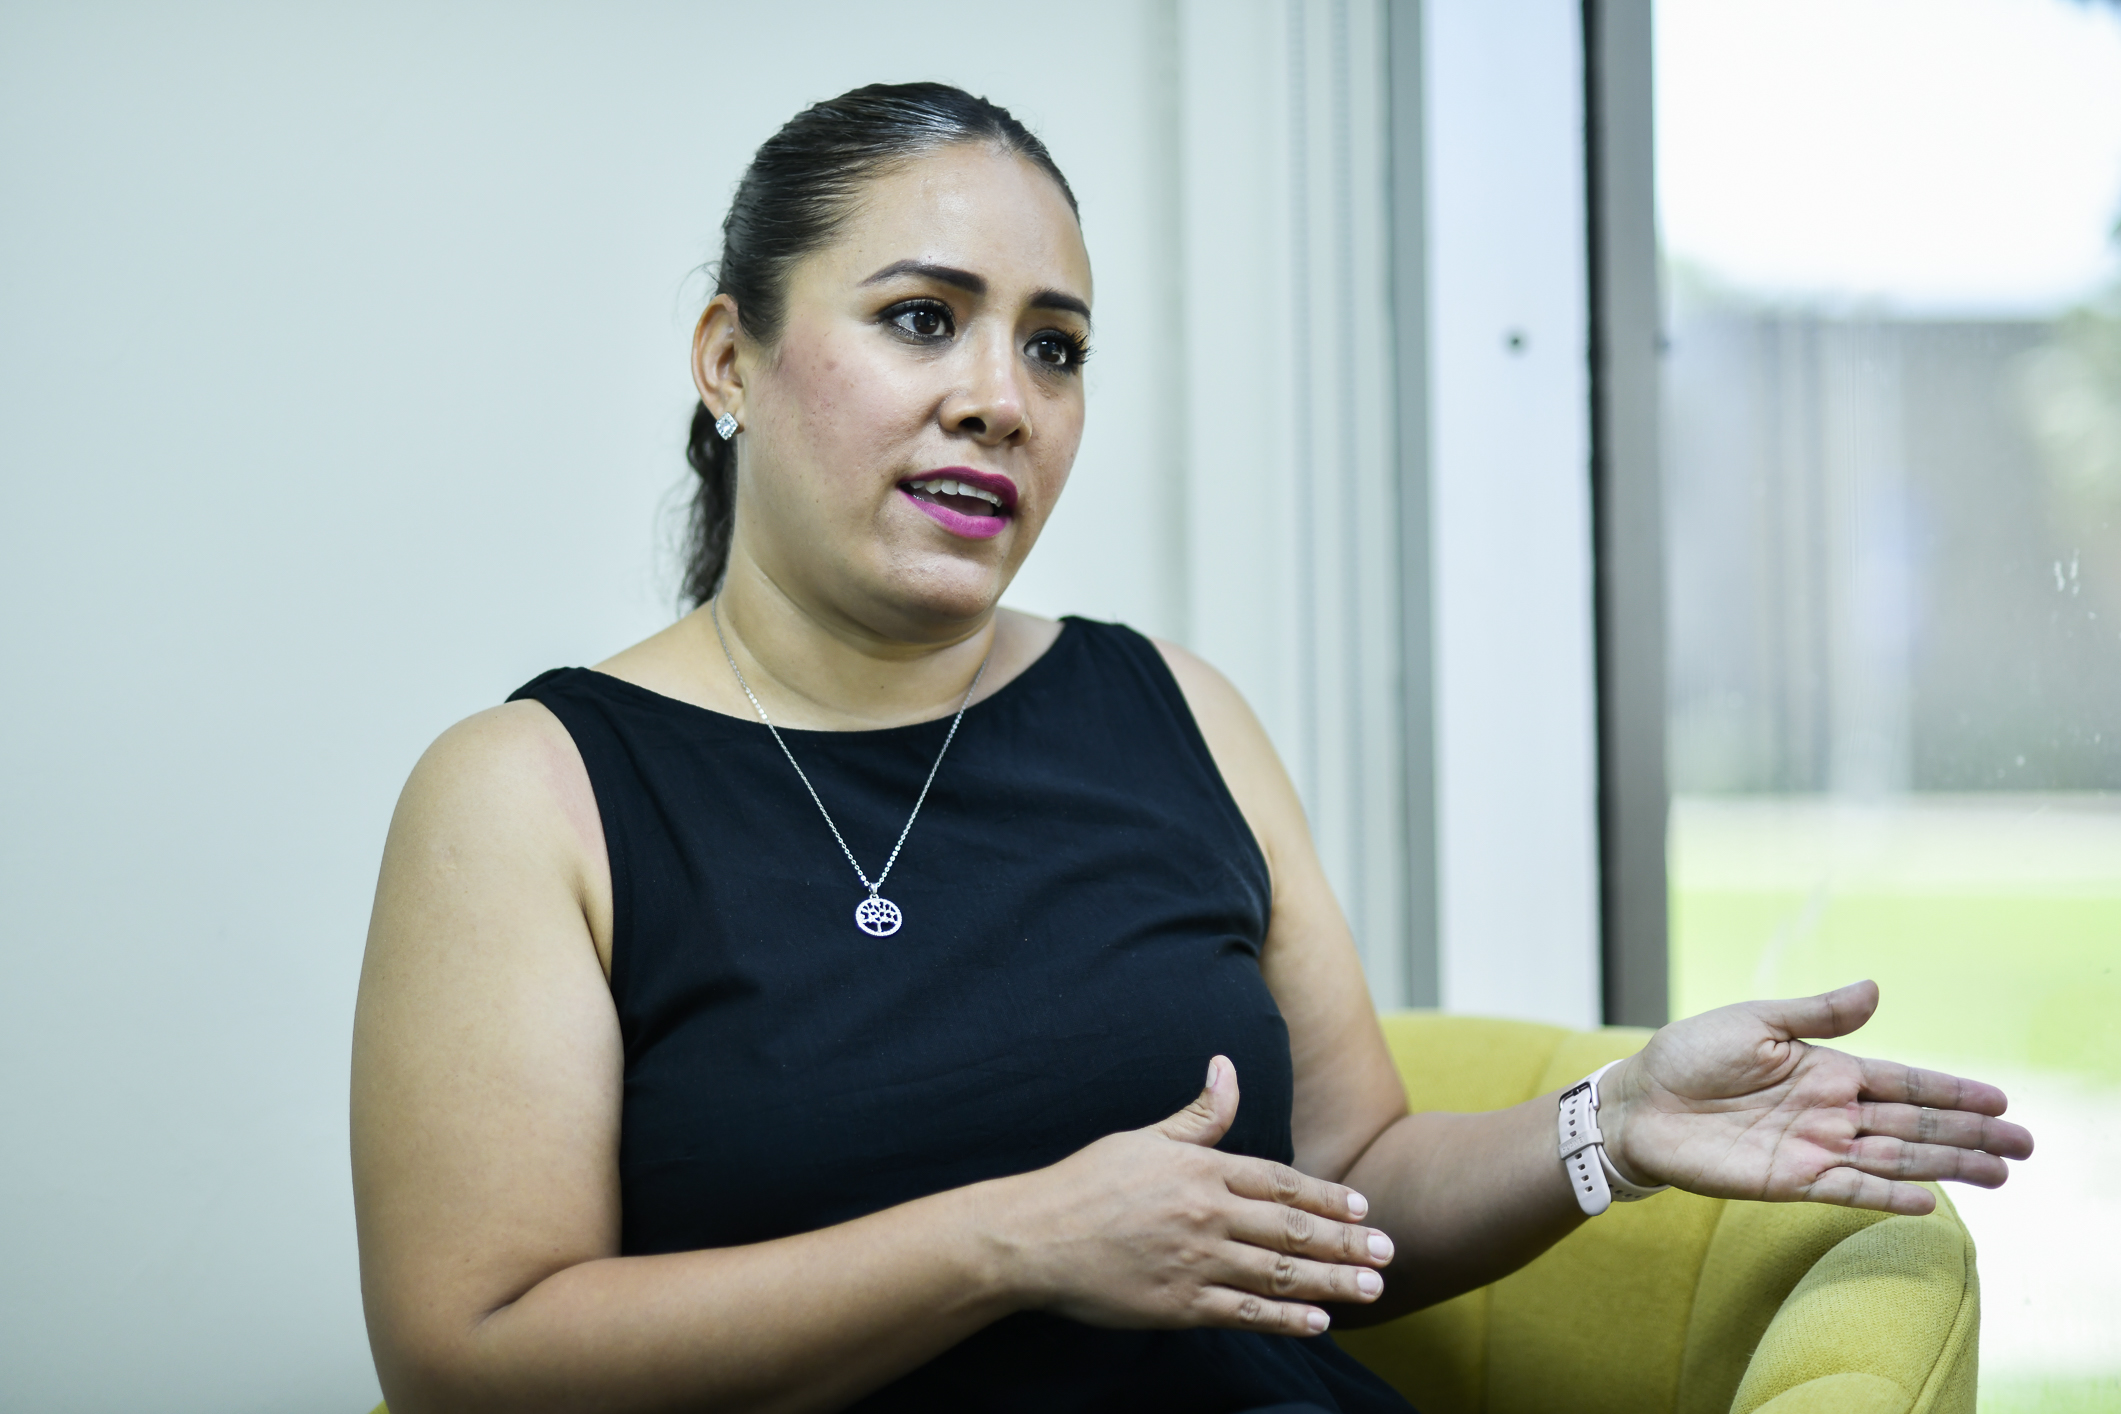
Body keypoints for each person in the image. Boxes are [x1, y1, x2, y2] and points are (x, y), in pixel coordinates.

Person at [349, 83, 2033, 1414]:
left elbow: (1348, 1184)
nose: (1001, 396)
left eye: (1053, 346)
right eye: (923, 318)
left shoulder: (1170, 706)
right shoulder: (530, 790)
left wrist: (1612, 1121)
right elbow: (472, 1354)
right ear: (732, 357)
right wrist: (1009, 1242)